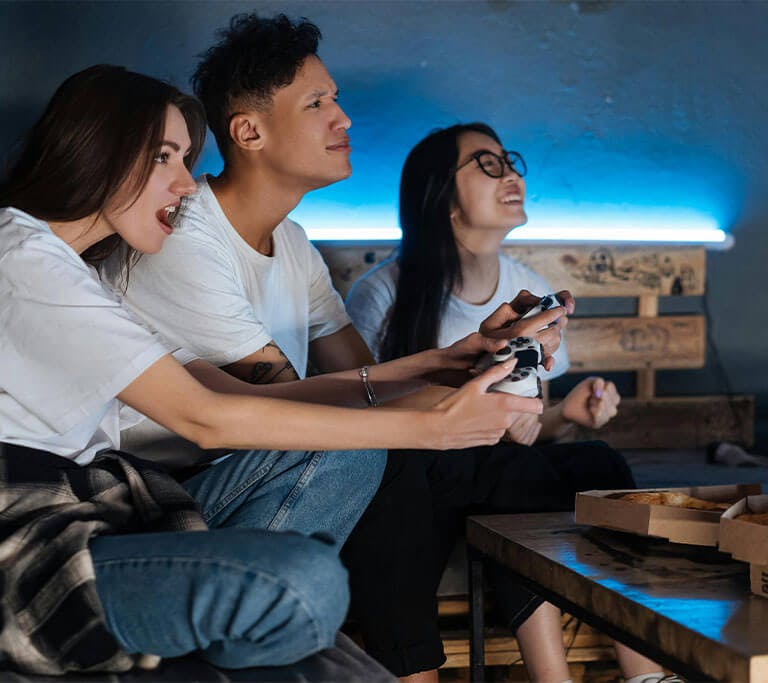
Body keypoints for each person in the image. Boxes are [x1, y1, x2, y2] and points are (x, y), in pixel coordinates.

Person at [0, 66, 539, 675]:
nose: (183, 184)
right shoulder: (22, 254)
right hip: (31, 539)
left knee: (337, 524)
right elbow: (208, 419)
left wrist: (447, 362)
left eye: (185, 158)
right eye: (164, 158)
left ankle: (246, 632)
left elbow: (219, 390)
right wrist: (434, 426)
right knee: (306, 585)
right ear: (100, 147)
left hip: (113, 511)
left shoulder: (82, 270)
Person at [346, 123, 670, 683]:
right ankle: (550, 675)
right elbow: (367, 418)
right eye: (487, 165)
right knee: (510, 468)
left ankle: (647, 672)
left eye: (510, 162)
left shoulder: (527, 286)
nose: (512, 174)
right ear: (441, 197)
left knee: (598, 463)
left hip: (496, 467)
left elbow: (526, 424)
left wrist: (567, 416)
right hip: (420, 469)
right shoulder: (384, 294)